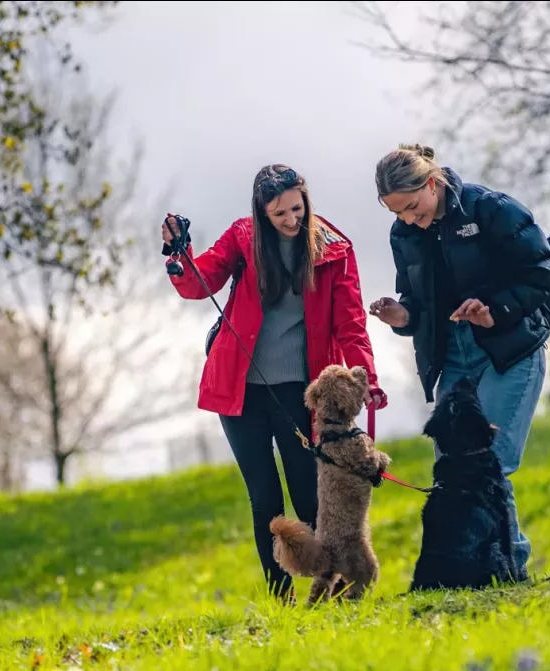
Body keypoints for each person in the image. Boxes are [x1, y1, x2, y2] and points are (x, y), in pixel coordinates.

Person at [164, 164, 387, 602]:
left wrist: (368, 381)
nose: (290, 220)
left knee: (310, 492)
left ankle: (333, 586)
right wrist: (178, 255)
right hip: (239, 387)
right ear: (262, 213)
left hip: (300, 392)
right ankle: (279, 596)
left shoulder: (335, 249)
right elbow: (200, 280)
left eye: (296, 209)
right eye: (279, 213)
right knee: (264, 496)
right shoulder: (243, 238)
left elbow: (351, 324)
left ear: (307, 202)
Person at [368, 144, 550, 578]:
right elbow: (418, 303)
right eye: (399, 214)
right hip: (450, 357)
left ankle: (511, 568)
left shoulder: (490, 209)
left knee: (490, 462)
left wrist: (495, 310)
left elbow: (540, 273)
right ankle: (474, 571)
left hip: (508, 350)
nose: (411, 220)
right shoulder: (404, 234)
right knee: (455, 468)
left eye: (414, 207)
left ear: (432, 183)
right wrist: (403, 317)